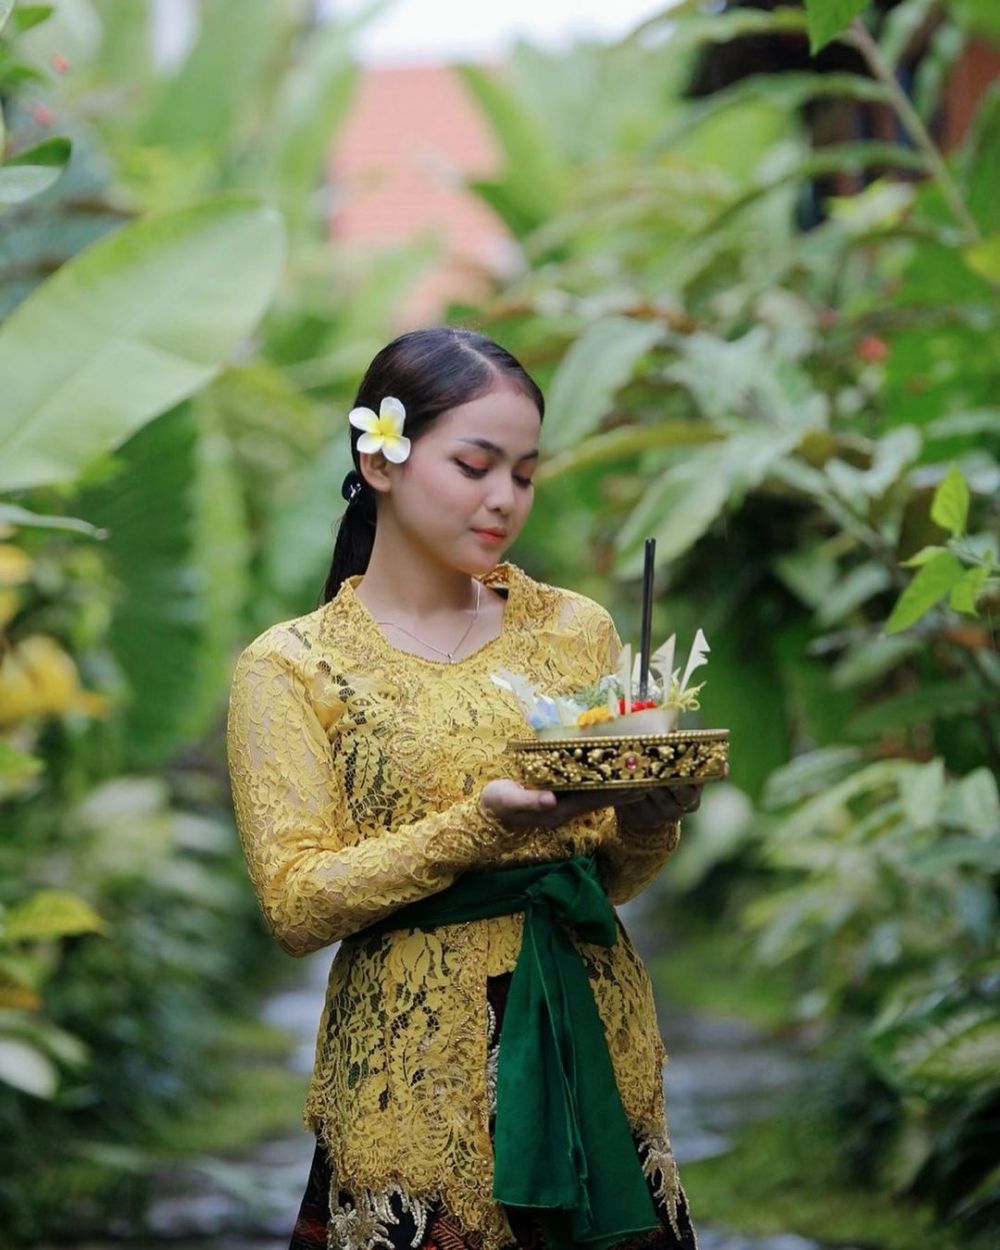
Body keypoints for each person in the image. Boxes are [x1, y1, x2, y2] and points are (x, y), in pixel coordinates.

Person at [226, 326, 703, 1250]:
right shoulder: (293, 666)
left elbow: (605, 876)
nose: (503, 498)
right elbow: (294, 904)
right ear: (382, 458)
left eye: (523, 473)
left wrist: (648, 822)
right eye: (475, 464)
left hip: (587, 1037)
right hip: (407, 1068)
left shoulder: (575, 630)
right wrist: (473, 830)